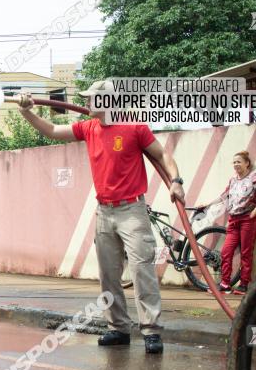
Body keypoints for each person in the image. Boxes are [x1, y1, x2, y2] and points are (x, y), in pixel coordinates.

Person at [18, 80, 186, 354]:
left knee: (142, 270)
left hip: (132, 210)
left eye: (90, 98)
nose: (85, 102)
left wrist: (176, 181)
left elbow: (163, 154)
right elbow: (51, 130)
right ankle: (118, 328)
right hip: (104, 211)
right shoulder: (89, 128)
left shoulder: (134, 127)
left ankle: (151, 331)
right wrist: (27, 112)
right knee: (109, 275)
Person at [197, 151, 256, 295]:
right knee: (226, 252)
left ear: (247, 163)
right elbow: (224, 196)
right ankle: (225, 284)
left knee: (246, 252)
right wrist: (207, 204)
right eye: (234, 162)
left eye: (239, 162)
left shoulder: (254, 178)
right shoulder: (233, 180)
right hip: (233, 220)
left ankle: (244, 285)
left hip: (248, 219)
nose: (236, 164)